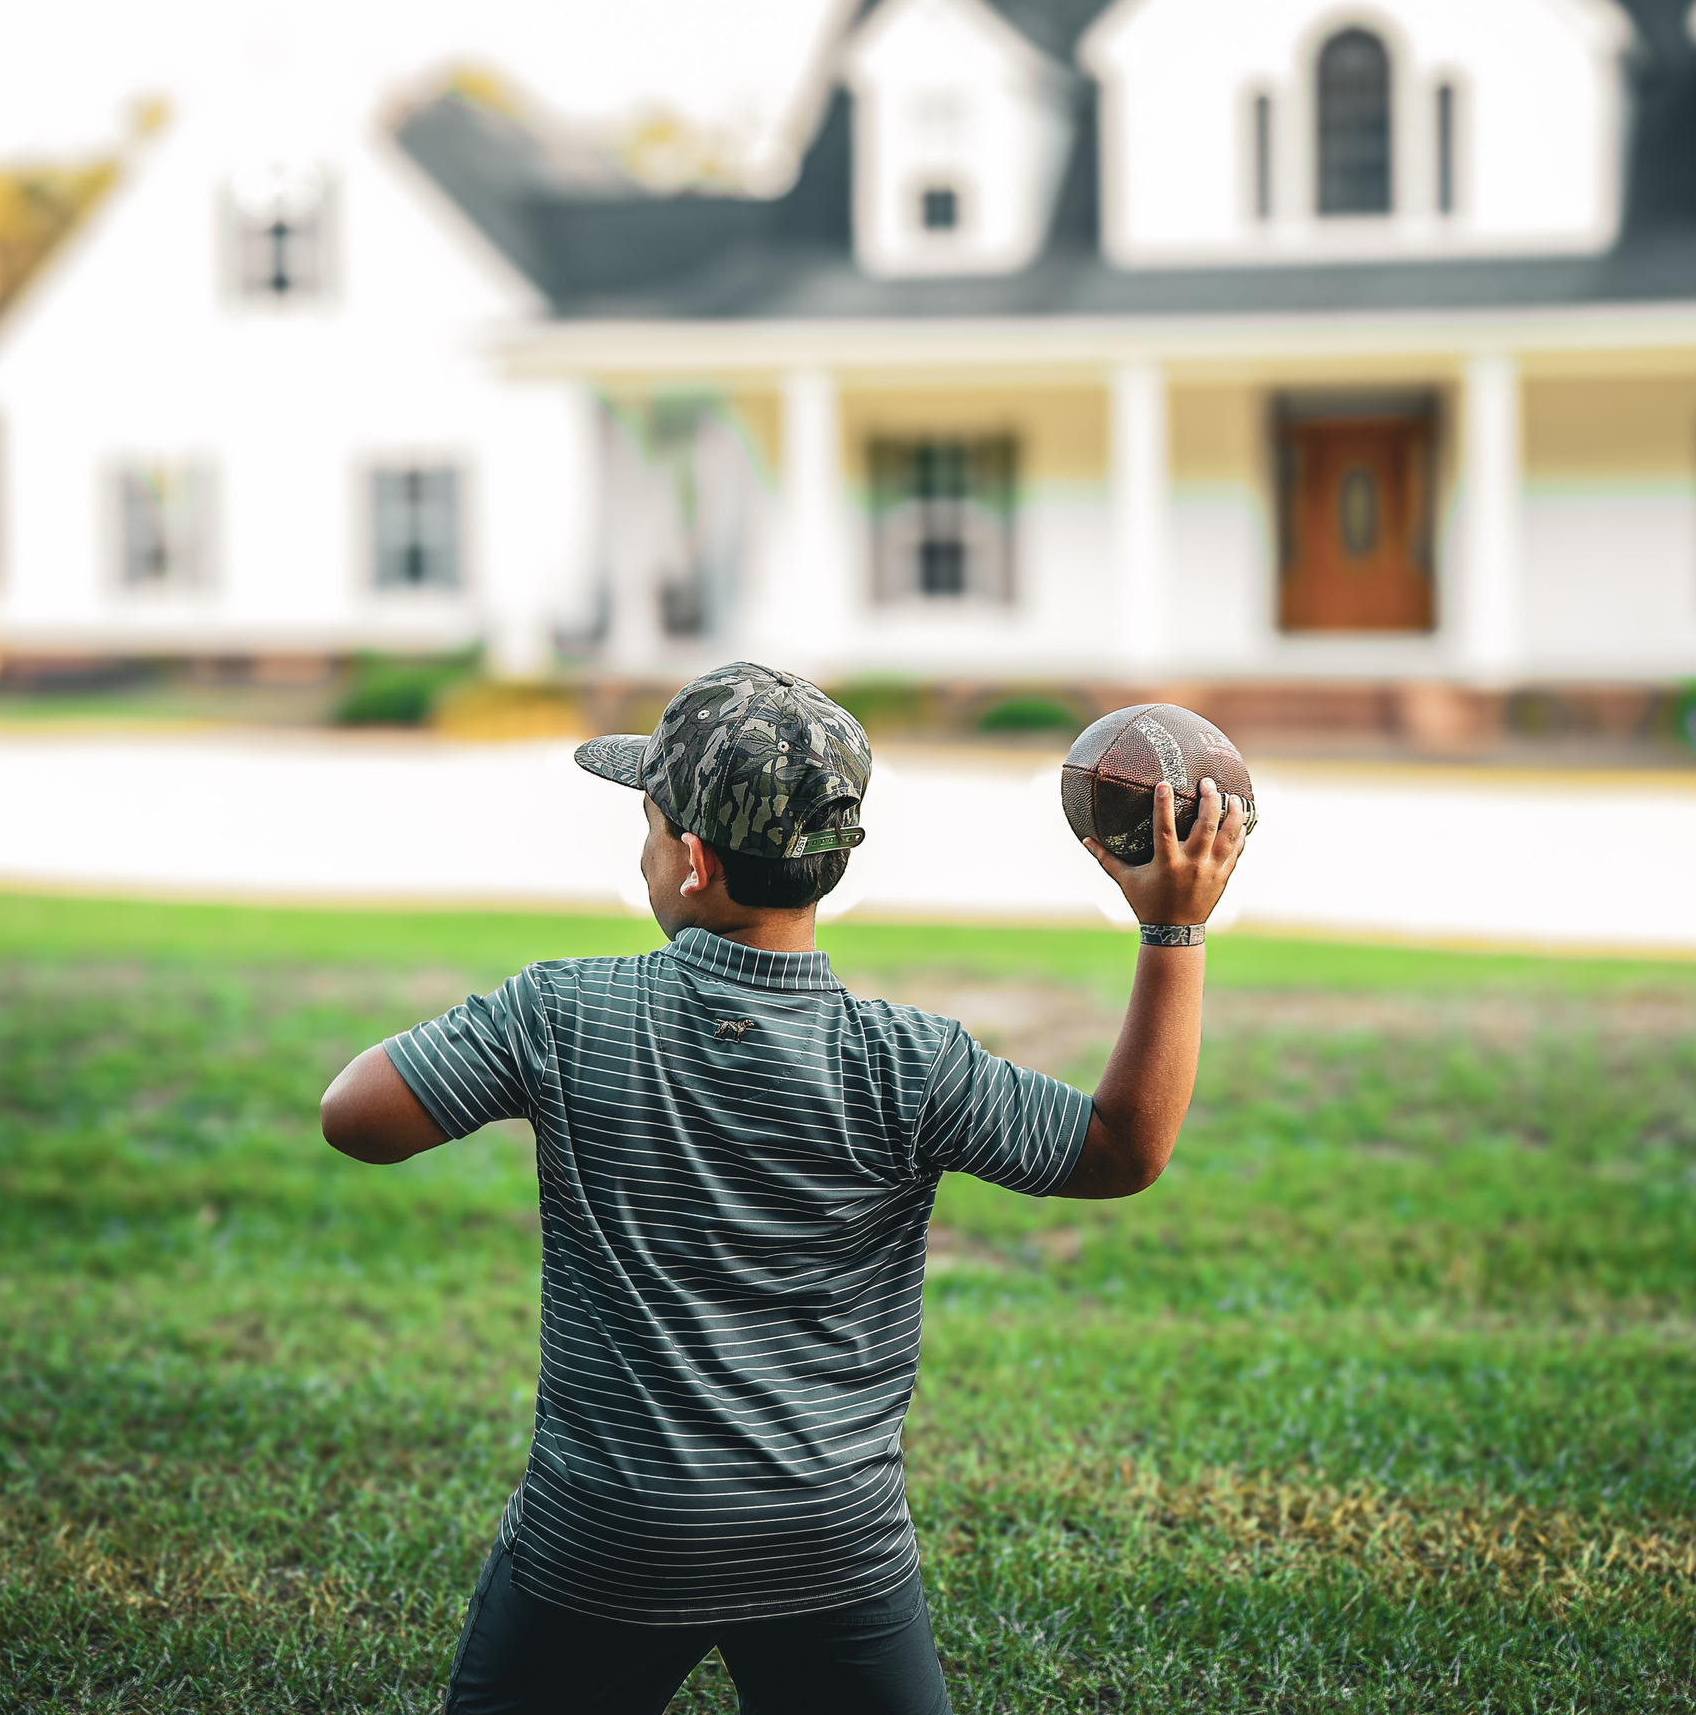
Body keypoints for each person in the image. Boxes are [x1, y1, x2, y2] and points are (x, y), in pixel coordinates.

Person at [318, 661, 1251, 1715]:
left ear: (695, 863)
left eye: (651, 824)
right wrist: (1174, 930)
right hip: (827, 1540)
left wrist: (510, 1031)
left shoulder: (565, 1011)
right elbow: (1122, 1150)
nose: (644, 845)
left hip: (614, 1534)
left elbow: (354, 1116)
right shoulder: (914, 1062)